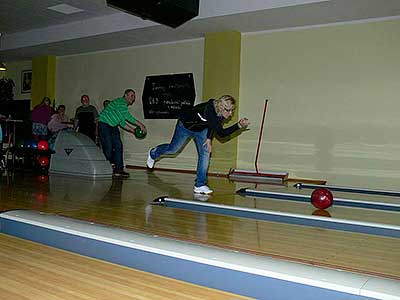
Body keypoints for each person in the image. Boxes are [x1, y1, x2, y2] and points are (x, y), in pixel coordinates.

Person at [146, 95, 249, 195]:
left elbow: (212, 126)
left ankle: (200, 185)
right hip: (185, 126)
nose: (230, 114)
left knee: (205, 153)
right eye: (228, 110)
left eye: (232, 110)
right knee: (173, 149)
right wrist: (238, 125)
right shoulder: (208, 110)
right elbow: (221, 132)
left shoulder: (219, 113)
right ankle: (153, 153)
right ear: (221, 107)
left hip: (200, 130)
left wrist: (209, 138)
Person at [98, 89, 146, 178]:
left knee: (118, 146)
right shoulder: (121, 102)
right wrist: (140, 125)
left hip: (113, 125)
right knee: (108, 146)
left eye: (134, 96)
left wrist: (134, 131)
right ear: (126, 95)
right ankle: (104, 168)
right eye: (131, 95)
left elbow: (122, 122)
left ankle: (118, 170)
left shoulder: (121, 107)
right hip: (104, 124)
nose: (133, 98)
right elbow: (128, 117)